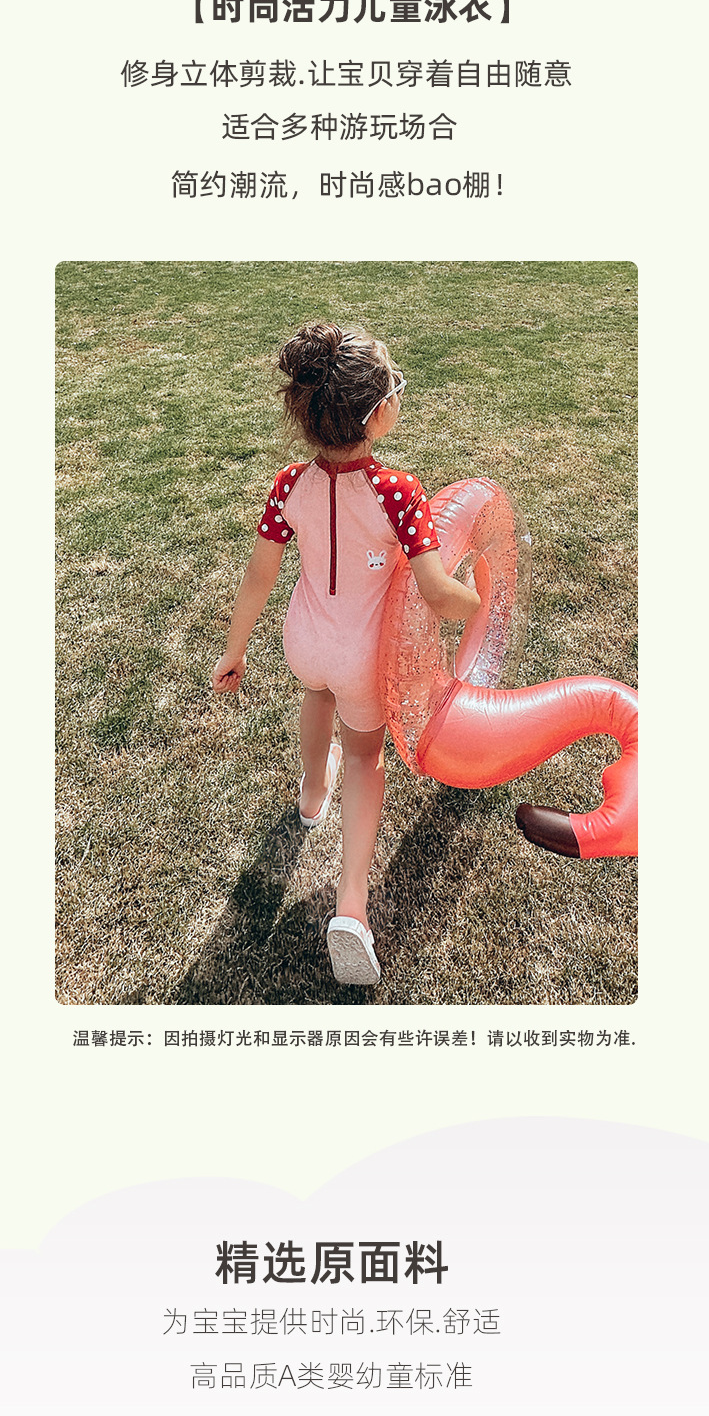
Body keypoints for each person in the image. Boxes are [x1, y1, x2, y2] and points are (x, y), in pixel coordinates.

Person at [212, 322, 482, 988]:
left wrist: (234, 650)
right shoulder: (397, 492)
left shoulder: (288, 485)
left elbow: (258, 576)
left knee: (316, 695)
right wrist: (478, 601)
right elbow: (436, 591)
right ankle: (352, 907)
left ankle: (311, 795)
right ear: (378, 413)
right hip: (365, 659)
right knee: (364, 756)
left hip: (305, 643)